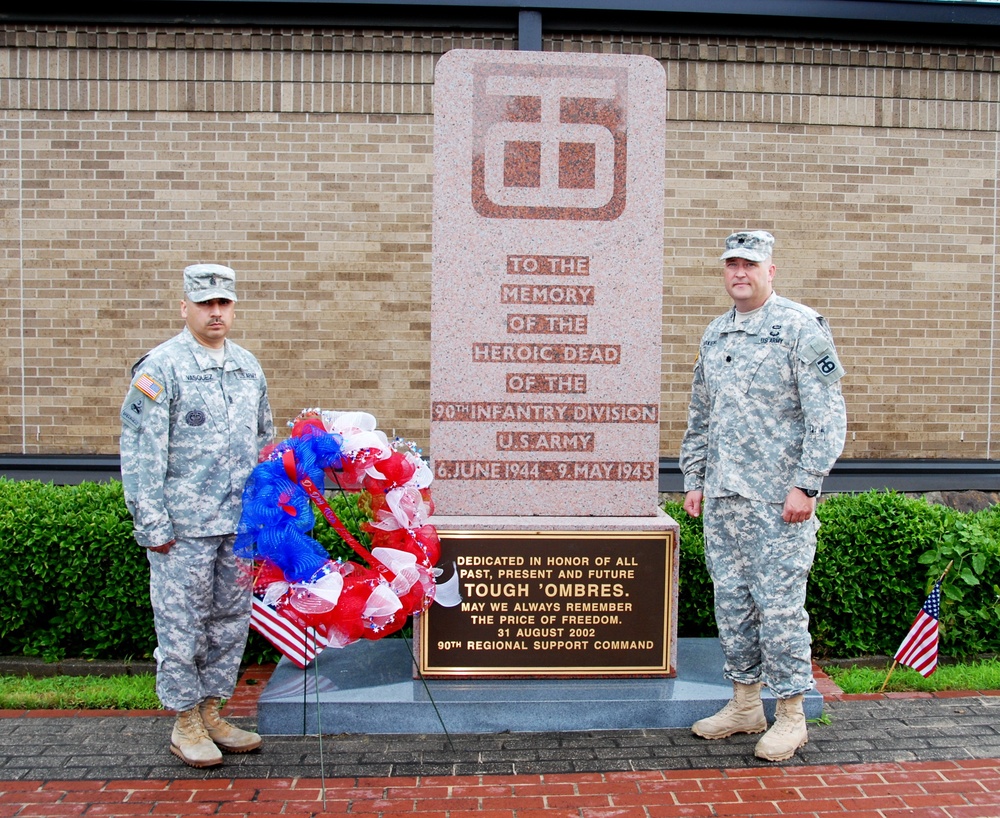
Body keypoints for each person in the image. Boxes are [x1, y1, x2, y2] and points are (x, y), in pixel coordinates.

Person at [679, 230, 847, 762]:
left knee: (779, 609)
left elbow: (828, 415)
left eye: (749, 264)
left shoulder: (800, 327)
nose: (739, 273)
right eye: (731, 264)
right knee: (732, 604)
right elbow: (701, 415)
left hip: (779, 502)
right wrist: (695, 478)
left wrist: (807, 483)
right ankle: (746, 703)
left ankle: (792, 714)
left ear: (770, 269)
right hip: (725, 497)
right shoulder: (715, 334)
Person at [120, 263, 274, 768]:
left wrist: (265, 512)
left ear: (232, 307)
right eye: (204, 303)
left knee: (230, 623)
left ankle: (211, 712)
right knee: (182, 626)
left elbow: (261, 441)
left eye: (222, 303)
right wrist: (152, 525)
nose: (214, 312)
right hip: (182, 528)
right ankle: (184, 721)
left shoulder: (248, 367)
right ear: (184, 306)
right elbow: (142, 452)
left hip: (237, 525)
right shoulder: (161, 368)